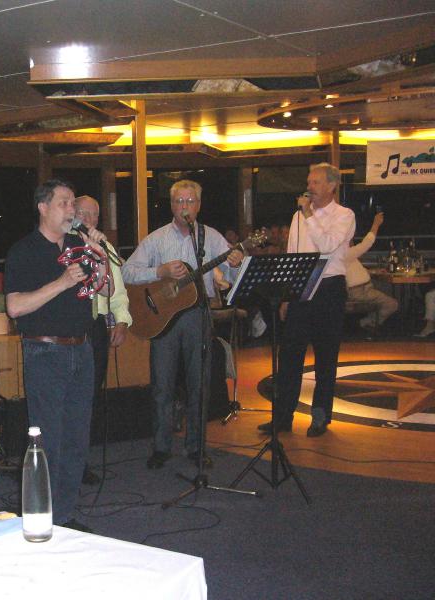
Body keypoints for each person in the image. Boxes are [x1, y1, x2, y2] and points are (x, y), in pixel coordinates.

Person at [5, 179, 109, 531]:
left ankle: (64, 515)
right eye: (64, 203)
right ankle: (43, 518)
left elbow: (104, 289)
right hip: (44, 351)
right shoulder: (24, 251)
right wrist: (62, 282)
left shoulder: (80, 245)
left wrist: (99, 255)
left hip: (82, 348)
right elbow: (15, 307)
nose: (71, 210)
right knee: (48, 439)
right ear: (43, 207)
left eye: (72, 204)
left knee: (77, 438)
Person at [122, 180, 242, 469]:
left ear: (198, 205)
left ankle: (196, 447)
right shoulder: (156, 239)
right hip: (162, 321)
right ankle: (161, 447)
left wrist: (235, 264)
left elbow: (231, 276)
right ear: (171, 205)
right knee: (162, 385)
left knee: (199, 384)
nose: (184, 206)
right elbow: (127, 272)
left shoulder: (211, 238)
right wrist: (159, 271)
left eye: (190, 201)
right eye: (179, 201)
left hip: (198, 316)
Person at [258, 163, 355, 438]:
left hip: (329, 289)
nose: (309, 187)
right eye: (309, 181)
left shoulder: (344, 215)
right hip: (300, 288)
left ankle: (320, 417)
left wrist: (309, 215)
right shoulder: (298, 217)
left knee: (325, 356)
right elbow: (292, 255)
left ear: (332, 186)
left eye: (315, 182)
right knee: (289, 355)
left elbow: (327, 245)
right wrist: (286, 296)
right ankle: (282, 417)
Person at [75, 195, 132, 484]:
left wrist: (121, 319)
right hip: (67, 327)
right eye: (82, 213)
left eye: (93, 215)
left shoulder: (104, 246)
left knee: (91, 397)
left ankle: (81, 461)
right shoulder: (63, 243)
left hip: (95, 325)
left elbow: (117, 289)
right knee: (69, 398)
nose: (88, 219)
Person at [345, 212, 398, 334]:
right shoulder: (345, 253)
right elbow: (367, 243)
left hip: (364, 289)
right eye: (350, 238)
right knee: (392, 304)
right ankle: (365, 323)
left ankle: (367, 324)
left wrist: (373, 271)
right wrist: (376, 224)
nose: (352, 241)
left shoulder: (349, 255)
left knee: (386, 297)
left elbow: (353, 270)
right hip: (358, 292)